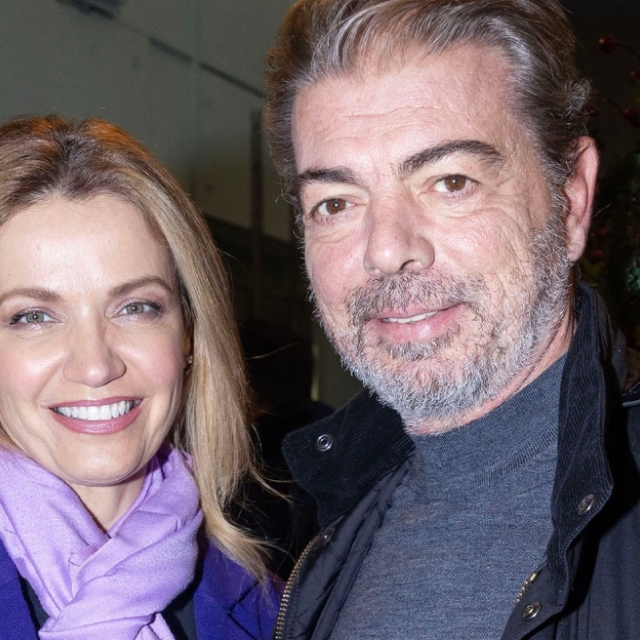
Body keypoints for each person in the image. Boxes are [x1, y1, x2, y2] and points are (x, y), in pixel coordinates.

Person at [263, 1, 640, 638]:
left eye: (451, 182)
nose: (387, 250)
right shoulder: (319, 530)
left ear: (572, 199)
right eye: (336, 202)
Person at [0, 116, 280, 640]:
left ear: (189, 333)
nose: (96, 365)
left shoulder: (279, 611)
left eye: (136, 307)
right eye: (33, 316)